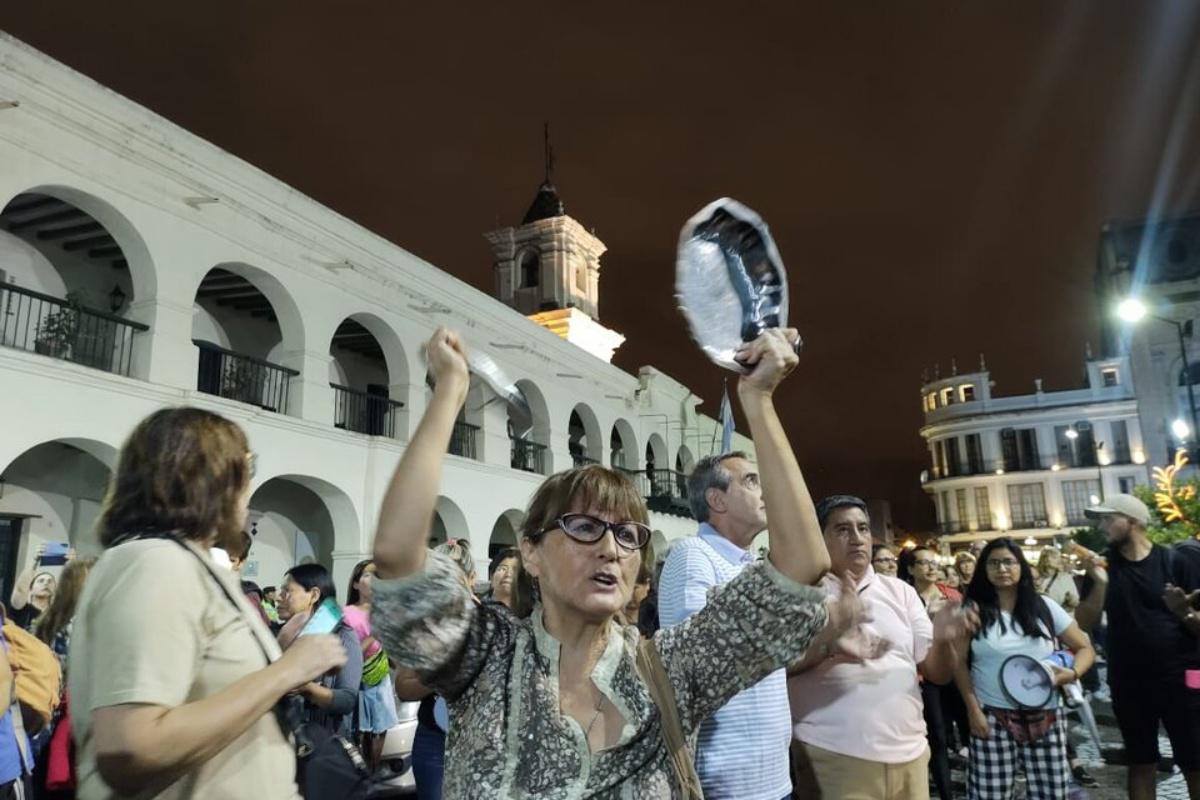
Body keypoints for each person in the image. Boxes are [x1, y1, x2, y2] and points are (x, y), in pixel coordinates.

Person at [369, 327, 837, 797]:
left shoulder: (672, 670)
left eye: (627, 535)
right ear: (530, 552)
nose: (611, 549)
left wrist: (759, 400)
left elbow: (800, 568)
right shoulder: (488, 657)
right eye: (585, 527)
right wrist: (450, 393)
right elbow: (398, 557)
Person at [69, 407, 347, 800]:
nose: (251, 483)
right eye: (246, 466)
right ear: (211, 479)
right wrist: (285, 672)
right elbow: (131, 747)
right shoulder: (156, 564)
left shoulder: (184, 562)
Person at [788, 497, 976, 800]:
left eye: (863, 528)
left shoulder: (900, 591)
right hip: (833, 755)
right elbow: (776, 668)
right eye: (842, 529)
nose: (857, 538)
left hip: (910, 753)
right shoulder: (801, 593)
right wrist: (829, 641)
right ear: (819, 538)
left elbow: (936, 673)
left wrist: (944, 640)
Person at [657, 448, 798, 800]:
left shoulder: (749, 565)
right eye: (750, 481)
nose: (763, 491)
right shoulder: (693, 555)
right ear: (716, 500)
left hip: (772, 777)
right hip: (728, 784)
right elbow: (700, 663)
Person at [1077, 494, 1200, 800]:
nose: (1102, 526)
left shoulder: (1175, 561)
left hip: (1183, 681)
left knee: (1195, 763)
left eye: (1108, 518)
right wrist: (1100, 584)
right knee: (1141, 762)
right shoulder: (1102, 566)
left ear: (1132, 521)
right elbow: (1083, 621)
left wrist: (1182, 611)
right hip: (1128, 682)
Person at [954, 537, 1095, 800]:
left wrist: (1073, 673)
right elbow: (958, 663)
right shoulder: (971, 611)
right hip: (992, 714)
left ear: (1021, 566)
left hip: (1046, 713)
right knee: (990, 793)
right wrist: (973, 710)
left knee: (1051, 791)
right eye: (993, 563)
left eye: (1009, 561)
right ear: (984, 570)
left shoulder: (1044, 606)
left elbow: (1085, 648)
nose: (1002, 568)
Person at [405, 538, 479, 800]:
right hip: (433, 739)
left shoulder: (494, 624)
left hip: (483, 742)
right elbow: (403, 688)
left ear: (471, 578)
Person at [277, 564, 363, 738]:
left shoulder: (342, 636)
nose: (279, 597)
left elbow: (346, 700)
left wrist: (306, 688)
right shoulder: (279, 634)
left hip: (321, 741)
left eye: (287, 591)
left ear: (314, 595)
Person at [906, 546, 963, 800]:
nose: (931, 568)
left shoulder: (952, 596)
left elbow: (964, 635)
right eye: (923, 563)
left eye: (934, 563)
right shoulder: (905, 598)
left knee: (967, 727)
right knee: (937, 736)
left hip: (955, 671)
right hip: (923, 676)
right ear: (910, 569)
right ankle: (945, 792)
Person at [344, 559, 399, 774]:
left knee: (380, 729)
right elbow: (350, 654)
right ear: (356, 584)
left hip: (381, 680)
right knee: (361, 732)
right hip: (358, 681)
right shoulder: (347, 613)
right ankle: (361, 777)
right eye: (368, 575)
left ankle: (373, 775)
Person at [9, 546, 62, 631]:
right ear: (31, 589)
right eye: (41, 581)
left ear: (54, 589)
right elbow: (20, 589)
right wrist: (35, 560)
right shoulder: (21, 609)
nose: (46, 583)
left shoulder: (56, 615)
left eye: (50, 581)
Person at [1035, 547, 1079, 614]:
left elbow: (1076, 602)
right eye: (1054, 557)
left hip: (1063, 619)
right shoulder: (1035, 577)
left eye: (1059, 557)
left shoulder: (1065, 578)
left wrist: (1071, 599)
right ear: (1045, 559)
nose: (1059, 560)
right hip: (1042, 618)